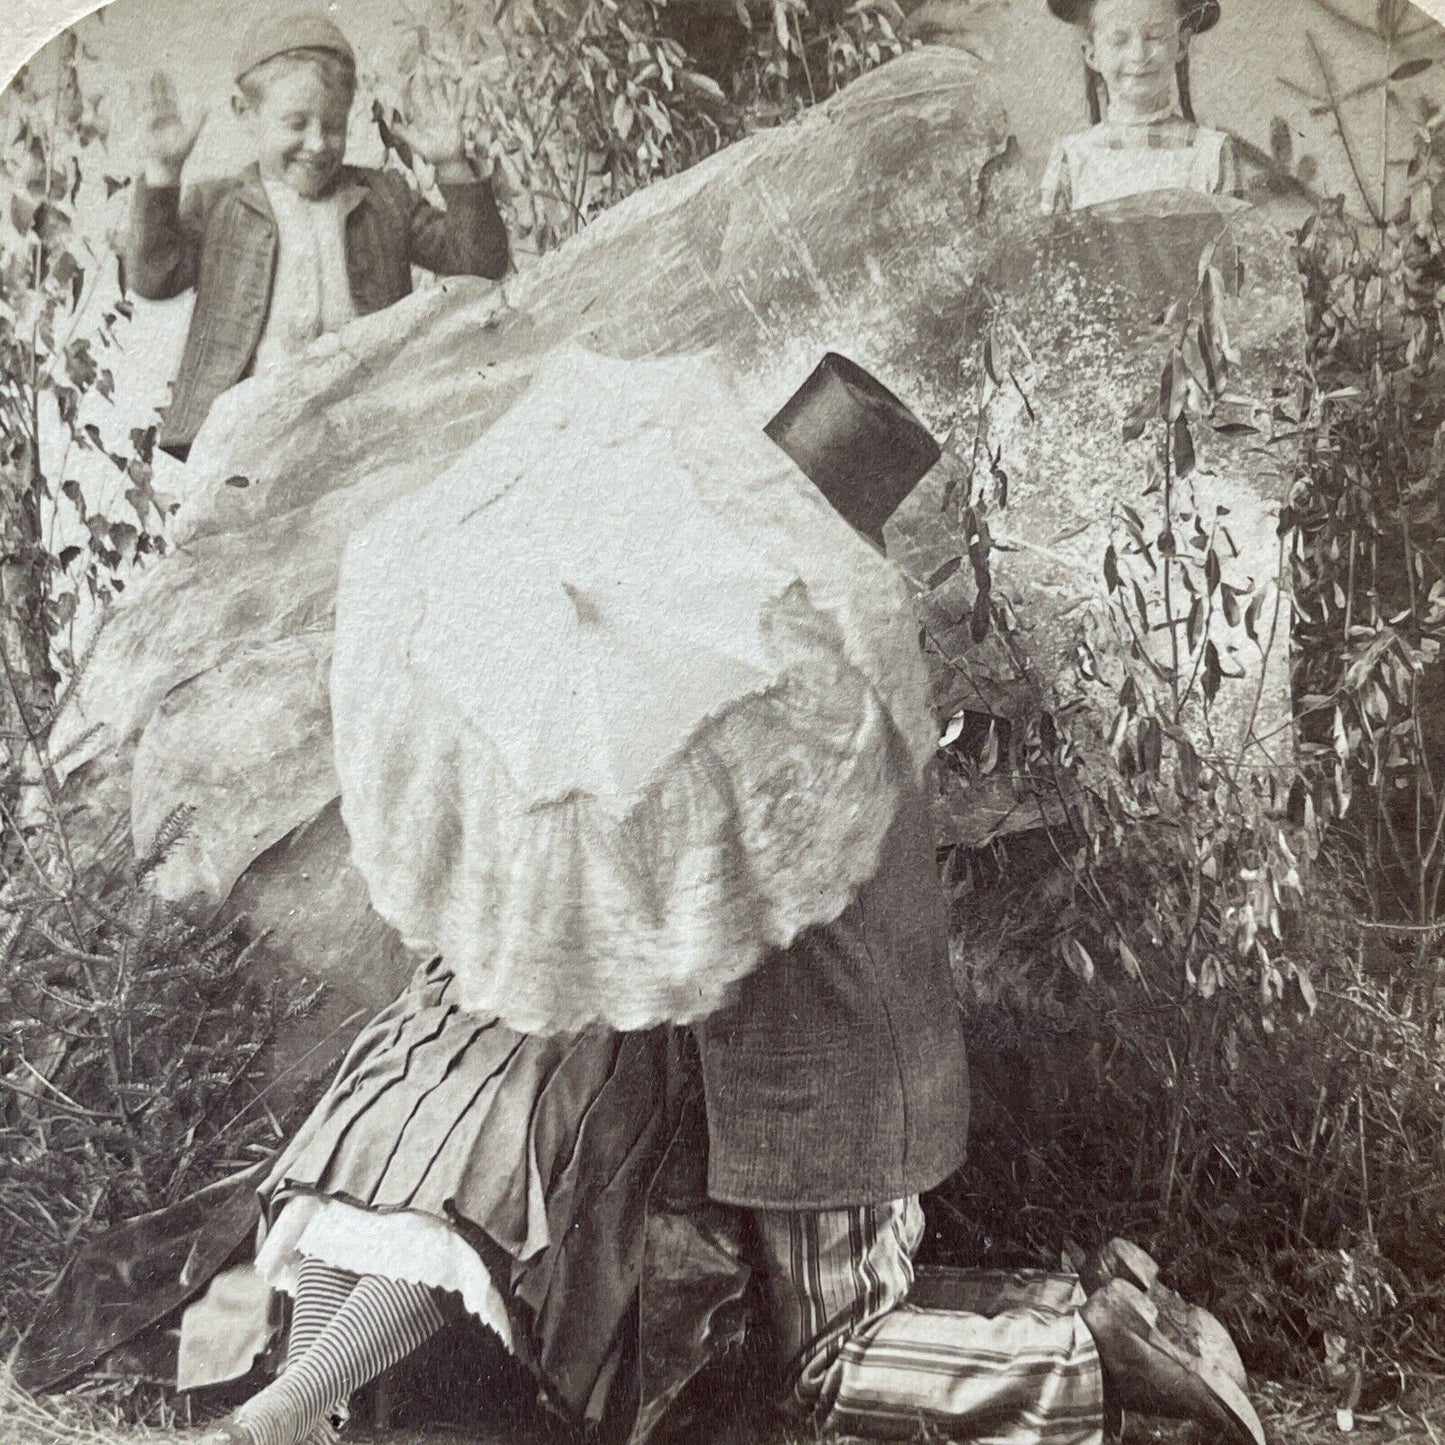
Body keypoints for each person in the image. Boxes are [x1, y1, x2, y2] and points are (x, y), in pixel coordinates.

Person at [123, 9, 510, 460]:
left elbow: (479, 265)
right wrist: (164, 172)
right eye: (295, 123)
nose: (317, 143)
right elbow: (154, 276)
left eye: (333, 126)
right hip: (249, 441)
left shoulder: (384, 195)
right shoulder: (218, 205)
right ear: (245, 114)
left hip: (372, 425)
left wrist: (451, 164)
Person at [1040, 0, 1242, 214]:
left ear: (1181, 44)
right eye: (1118, 40)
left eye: (1155, 37)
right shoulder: (1071, 159)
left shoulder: (1213, 153)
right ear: (1092, 54)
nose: (1139, 55)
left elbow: (1235, 244)